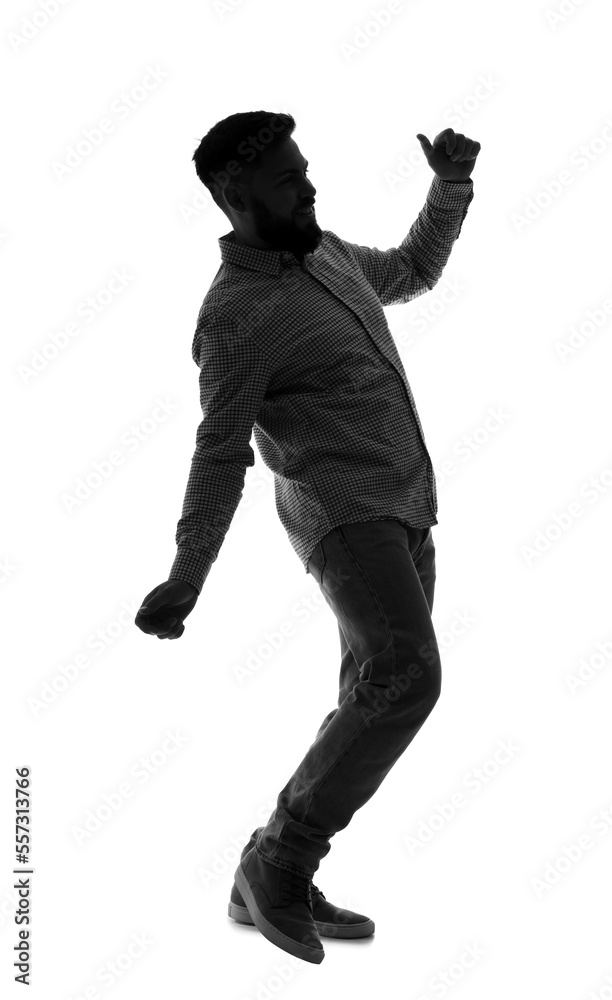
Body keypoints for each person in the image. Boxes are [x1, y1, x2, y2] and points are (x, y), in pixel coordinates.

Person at [135, 111, 480, 965]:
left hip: (406, 505)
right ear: (235, 195)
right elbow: (220, 452)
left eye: (305, 169)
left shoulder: (325, 254)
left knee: (372, 691)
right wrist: (187, 573)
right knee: (407, 677)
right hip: (345, 519)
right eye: (289, 179)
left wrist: (449, 189)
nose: (309, 187)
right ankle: (278, 860)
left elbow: (410, 271)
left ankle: (272, 874)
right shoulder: (235, 317)